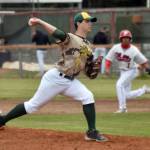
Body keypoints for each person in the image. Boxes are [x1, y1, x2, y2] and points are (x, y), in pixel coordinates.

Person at [0, 12, 108, 142]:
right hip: (56, 78)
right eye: (87, 21)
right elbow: (57, 33)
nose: (90, 23)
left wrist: (94, 67)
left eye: (91, 21)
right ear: (78, 23)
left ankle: (91, 131)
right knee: (32, 106)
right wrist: (39, 21)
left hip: (71, 81)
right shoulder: (70, 38)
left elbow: (88, 72)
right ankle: (2, 120)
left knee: (88, 96)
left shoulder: (89, 46)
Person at [105, 29, 150, 113]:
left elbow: (143, 61)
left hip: (131, 71)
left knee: (119, 85)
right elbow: (108, 59)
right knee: (126, 95)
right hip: (123, 72)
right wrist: (107, 68)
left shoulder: (134, 50)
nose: (125, 39)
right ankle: (143, 90)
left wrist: (147, 68)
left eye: (127, 38)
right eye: (124, 38)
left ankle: (123, 108)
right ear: (121, 39)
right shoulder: (116, 48)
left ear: (130, 39)